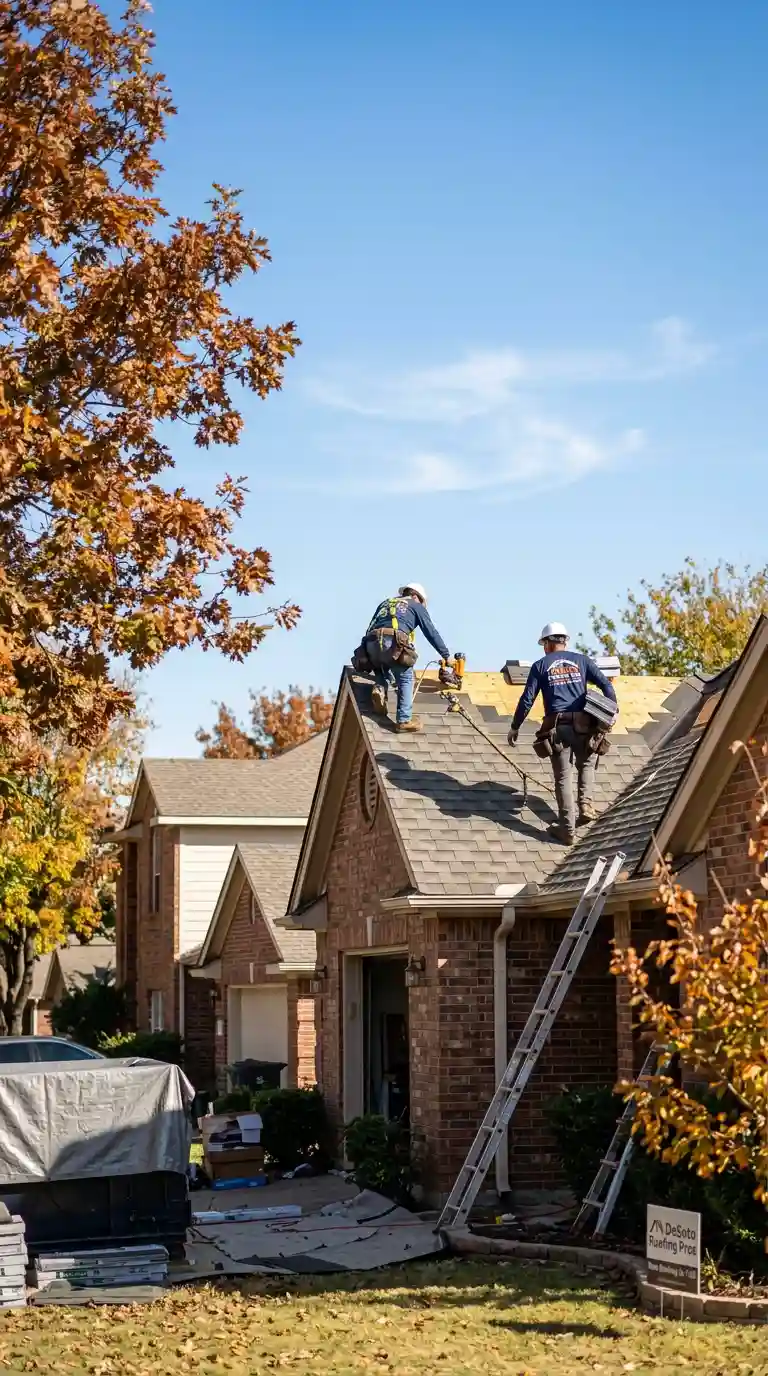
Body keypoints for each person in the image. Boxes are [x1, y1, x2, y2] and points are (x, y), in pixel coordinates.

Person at [507, 622, 618, 845]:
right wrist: (612, 711)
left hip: (557, 727)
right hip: (584, 724)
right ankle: (585, 805)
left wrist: (515, 726)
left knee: (563, 778)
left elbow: (527, 699)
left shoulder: (541, 666)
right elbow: (607, 686)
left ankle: (567, 831)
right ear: (565, 641)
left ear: (548, 644)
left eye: (544, 644)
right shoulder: (582, 661)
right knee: (587, 764)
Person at [363, 583, 450, 733]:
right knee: (406, 676)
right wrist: (446, 655)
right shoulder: (415, 606)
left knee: (382, 664)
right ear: (415, 596)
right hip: (392, 641)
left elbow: (370, 626)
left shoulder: (386, 603)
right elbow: (431, 632)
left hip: (371, 643)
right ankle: (404, 720)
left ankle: (380, 687)